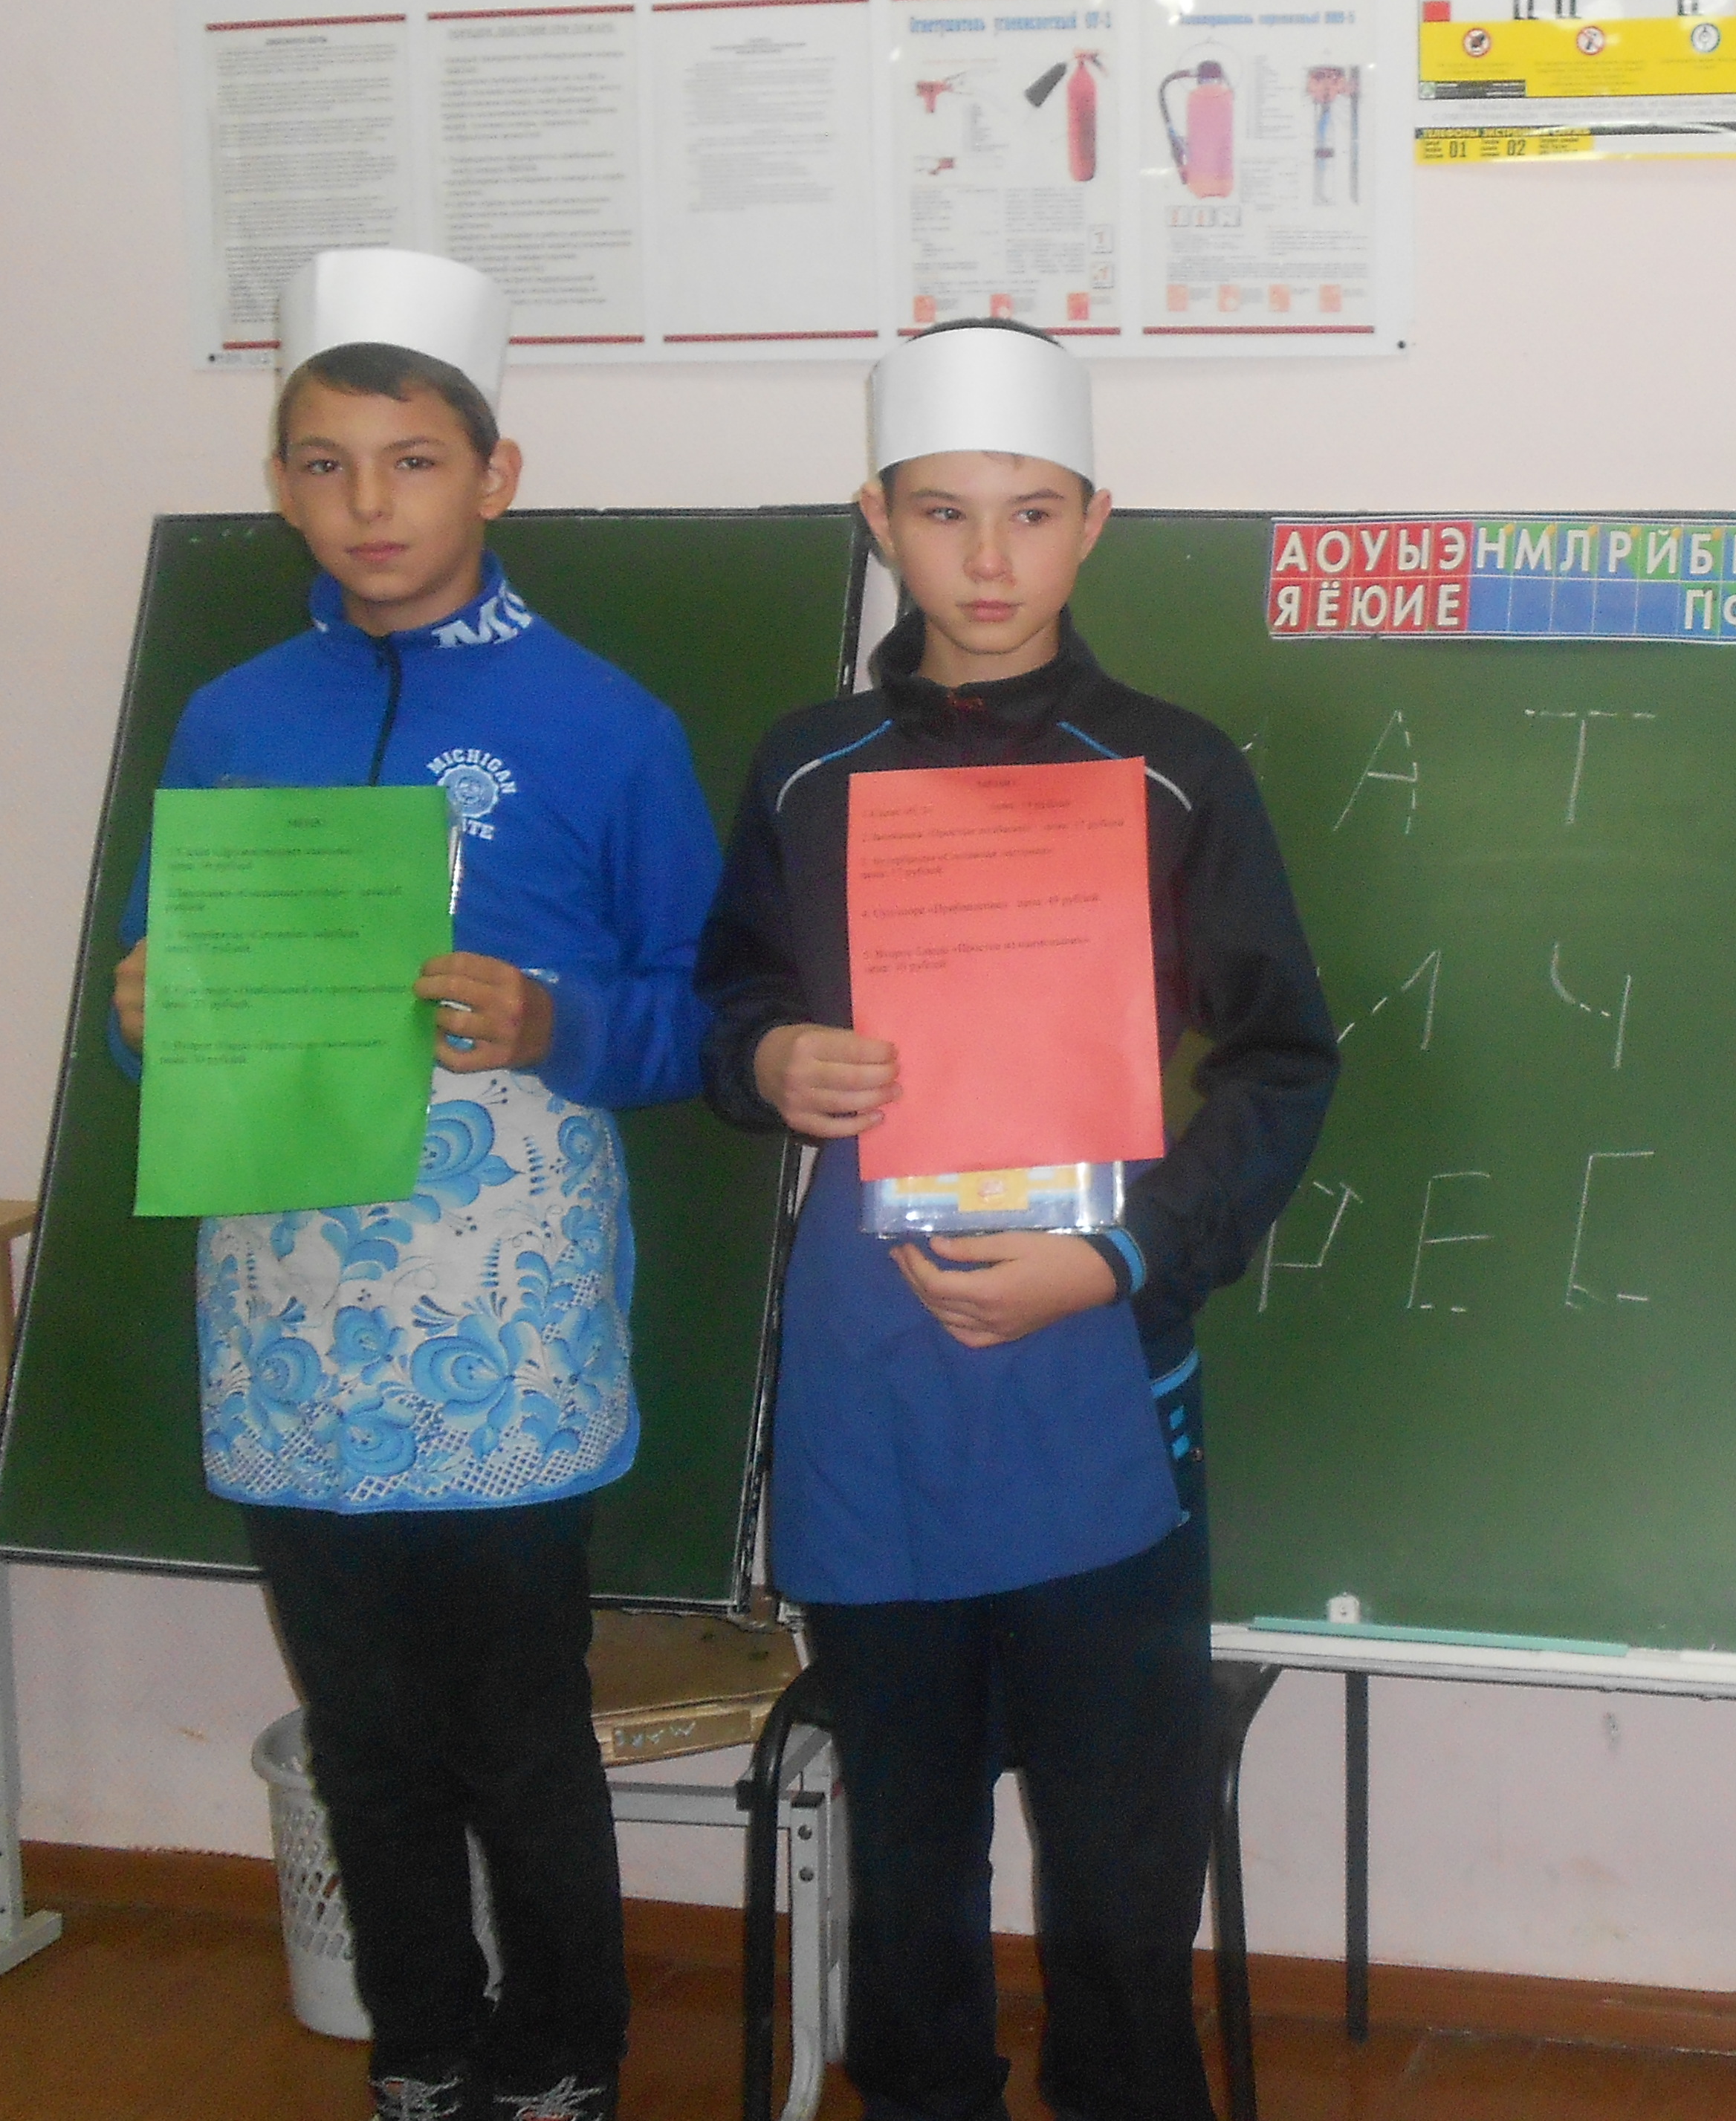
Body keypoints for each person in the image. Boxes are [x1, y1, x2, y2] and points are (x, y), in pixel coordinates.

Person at [694, 320, 1341, 2121]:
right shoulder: (809, 767)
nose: (988, 559)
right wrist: (774, 1059)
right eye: (943, 513)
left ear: (1095, 521)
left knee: (1123, 1842)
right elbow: (729, 1004)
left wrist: (1120, 1260)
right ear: (876, 518)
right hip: (878, 1371)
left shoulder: (1174, 769)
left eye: (1033, 513)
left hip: (1096, 1361)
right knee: (906, 1835)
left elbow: (1282, 1061)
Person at [110, 248, 725, 2121]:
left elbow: (707, 1015)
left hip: (501, 1291)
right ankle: (422, 2050)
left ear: (495, 474)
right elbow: (167, 1012)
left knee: (519, 1732)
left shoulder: (607, 722)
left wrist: (553, 1018)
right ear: (281, 484)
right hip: (287, 1291)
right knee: (364, 1733)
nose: (367, 504)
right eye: (324, 464)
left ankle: (567, 2056)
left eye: (412, 461)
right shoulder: (233, 717)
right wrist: (146, 1016)